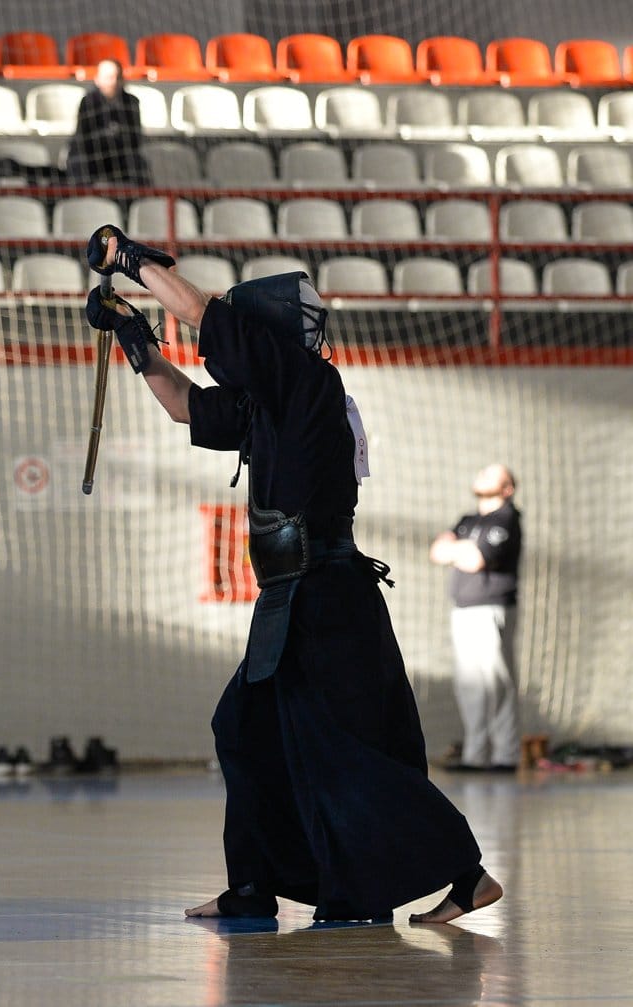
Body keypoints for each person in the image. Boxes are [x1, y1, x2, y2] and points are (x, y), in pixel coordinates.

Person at [84, 223, 502, 925]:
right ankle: (252, 887)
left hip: (327, 591)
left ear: (267, 337)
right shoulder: (268, 404)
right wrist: (134, 341)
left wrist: (128, 261)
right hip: (292, 597)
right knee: (244, 730)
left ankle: (462, 873)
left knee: (338, 751)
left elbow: (202, 314)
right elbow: (187, 404)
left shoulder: (305, 381)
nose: (232, 340)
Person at [430, 465, 522, 772]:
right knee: (470, 685)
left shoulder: (507, 519)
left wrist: (458, 550)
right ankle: (475, 755)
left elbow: (475, 559)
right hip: (463, 610)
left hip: (491, 609)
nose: (482, 475)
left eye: (492, 474)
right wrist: (462, 549)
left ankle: (505, 756)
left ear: (507, 488)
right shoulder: (468, 521)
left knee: (496, 683)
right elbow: (437, 551)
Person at [65, 59, 150, 187]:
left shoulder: (132, 102)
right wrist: (109, 135)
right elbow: (82, 138)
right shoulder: (88, 102)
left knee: (139, 165)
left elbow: (135, 138)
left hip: (121, 157)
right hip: (91, 156)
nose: (113, 82)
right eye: (109, 77)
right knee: (78, 162)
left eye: (117, 77)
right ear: (97, 79)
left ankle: (139, 203)